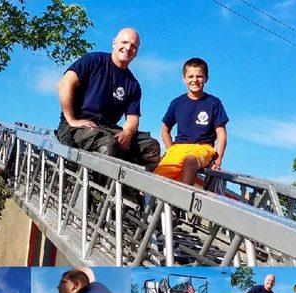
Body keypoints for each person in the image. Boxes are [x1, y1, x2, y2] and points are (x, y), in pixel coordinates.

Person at [56, 28, 160, 172]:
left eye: (133, 46)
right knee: (108, 144)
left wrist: (127, 133)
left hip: (107, 128)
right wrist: (72, 120)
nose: (128, 47)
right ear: (114, 43)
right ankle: (100, 193)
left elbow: (132, 119)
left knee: (151, 147)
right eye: (124, 42)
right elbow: (64, 84)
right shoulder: (93, 60)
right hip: (76, 126)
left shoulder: (133, 84)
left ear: (136, 52)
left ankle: (133, 192)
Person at [154, 57, 229, 185]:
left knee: (190, 161)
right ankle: (152, 203)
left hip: (202, 148)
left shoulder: (213, 103)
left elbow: (221, 133)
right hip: (178, 148)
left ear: (206, 79)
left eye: (199, 76)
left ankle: (181, 202)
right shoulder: (177, 103)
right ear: (184, 79)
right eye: (190, 76)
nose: (195, 80)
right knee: (158, 176)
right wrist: (170, 149)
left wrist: (218, 158)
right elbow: (165, 130)